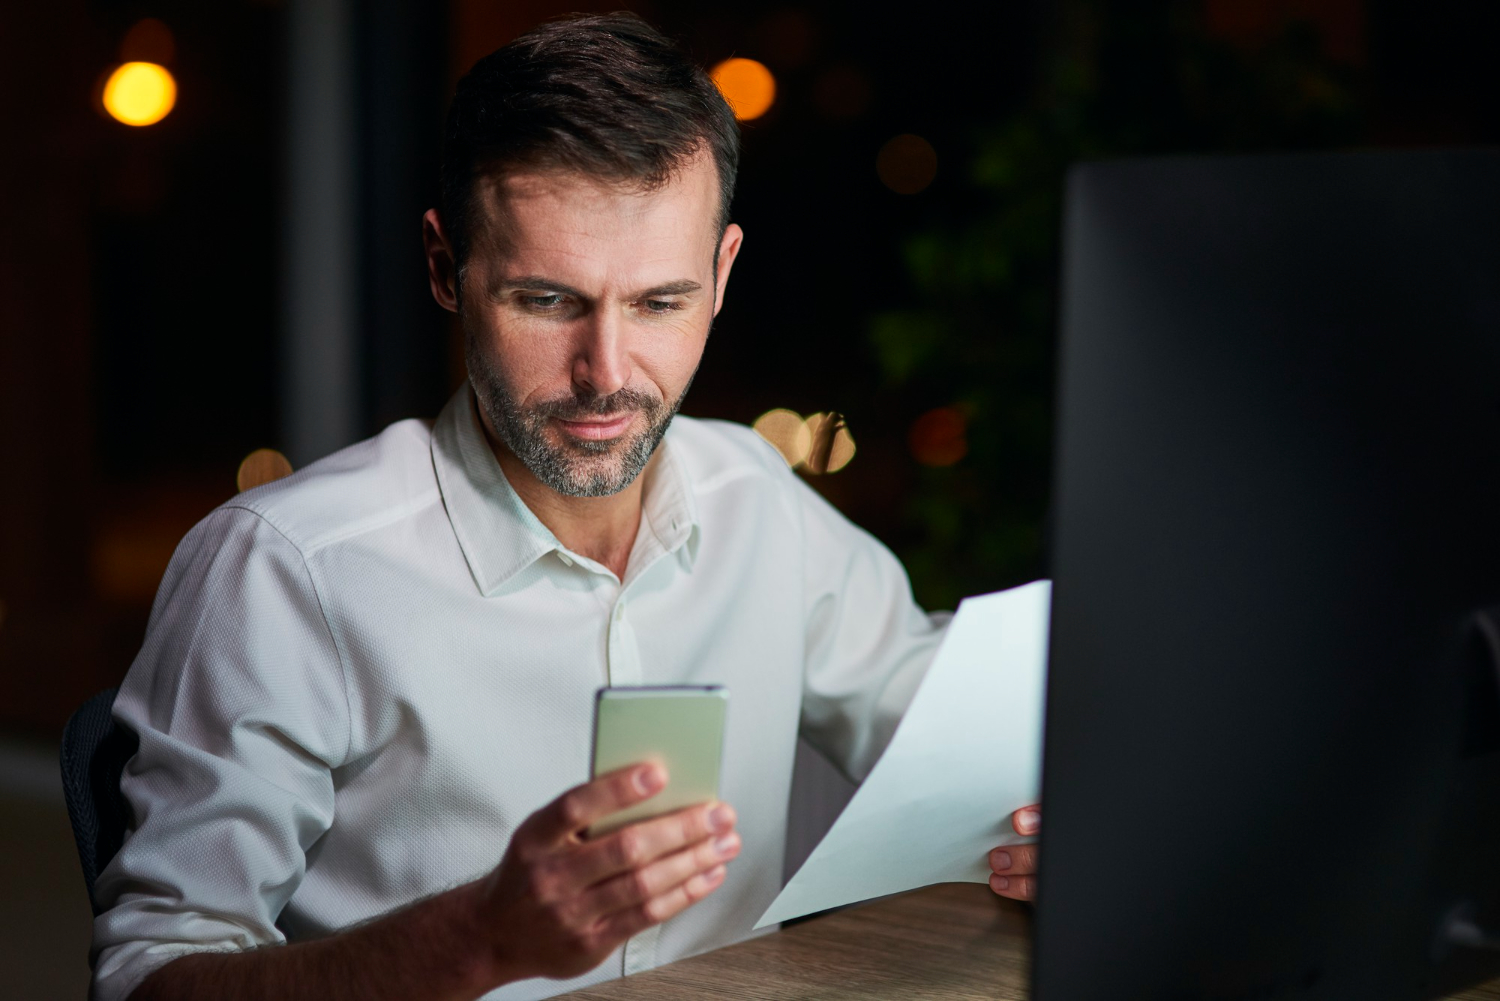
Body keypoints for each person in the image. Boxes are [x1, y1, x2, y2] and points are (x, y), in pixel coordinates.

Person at [90, 13, 1040, 1001]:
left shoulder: (757, 496)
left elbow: (953, 727)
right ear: (442, 265)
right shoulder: (285, 569)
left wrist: (1056, 818)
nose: (607, 375)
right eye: (547, 301)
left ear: (721, 276)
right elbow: (146, 981)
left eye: (661, 302)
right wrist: (478, 938)